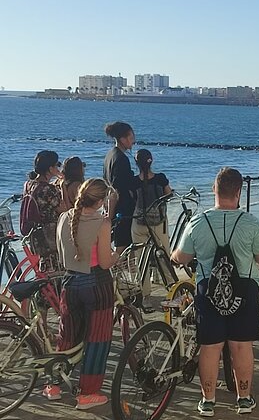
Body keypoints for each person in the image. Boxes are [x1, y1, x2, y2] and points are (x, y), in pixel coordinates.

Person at [172, 167, 259, 417]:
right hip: (246, 289)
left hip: (208, 290)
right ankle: (244, 399)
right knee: (241, 346)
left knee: (210, 347)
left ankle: (208, 400)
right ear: (238, 192)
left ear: (214, 190)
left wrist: (176, 255)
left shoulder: (198, 221)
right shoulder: (250, 222)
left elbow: (182, 256)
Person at [45, 178, 119, 409]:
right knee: (97, 340)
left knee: (67, 337)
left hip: (70, 282)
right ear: (100, 201)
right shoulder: (102, 223)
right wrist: (119, 255)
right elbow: (105, 262)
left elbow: (61, 252)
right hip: (97, 284)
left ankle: (53, 384)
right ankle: (88, 393)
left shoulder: (65, 217)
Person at [131, 149, 173, 312]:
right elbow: (168, 194)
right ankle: (171, 291)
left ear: (136, 163)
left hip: (139, 223)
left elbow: (132, 199)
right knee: (164, 257)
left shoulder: (133, 182)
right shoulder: (161, 179)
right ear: (151, 160)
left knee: (141, 261)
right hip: (158, 224)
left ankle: (146, 297)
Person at [23, 150, 65, 270]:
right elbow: (64, 209)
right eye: (57, 164)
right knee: (56, 271)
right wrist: (63, 186)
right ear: (51, 169)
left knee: (45, 269)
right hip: (50, 236)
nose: (59, 167)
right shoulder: (48, 189)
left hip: (35, 234)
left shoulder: (29, 185)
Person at [103, 121, 136, 252]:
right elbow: (116, 190)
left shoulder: (109, 155)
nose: (133, 141)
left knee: (121, 247)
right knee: (122, 248)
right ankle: (115, 272)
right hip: (122, 210)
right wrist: (111, 217)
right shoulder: (121, 159)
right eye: (131, 138)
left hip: (112, 207)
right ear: (123, 139)